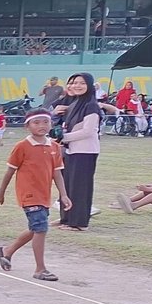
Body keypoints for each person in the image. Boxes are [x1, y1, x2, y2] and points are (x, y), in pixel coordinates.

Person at [0, 110, 70, 282]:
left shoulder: (54, 147)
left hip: (44, 195)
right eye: (36, 123)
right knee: (41, 228)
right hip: (29, 194)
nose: (41, 126)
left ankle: (7, 251)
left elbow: (57, 173)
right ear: (27, 126)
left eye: (45, 122)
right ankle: (40, 269)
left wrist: (64, 195)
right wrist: (1, 193)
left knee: (36, 228)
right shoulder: (22, 146)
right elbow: (10, 172)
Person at [53, 72, 101, 230]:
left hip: (84, 151)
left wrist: (64, 138)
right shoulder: (75, 103)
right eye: (74, 82)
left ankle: (79, 222)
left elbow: (88, 131)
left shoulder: (91, 105)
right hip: (70, 150)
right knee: (68, 185)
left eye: (82, 83)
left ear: (89, 85)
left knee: (80, 187)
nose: (77, 86)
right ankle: (66, 218)